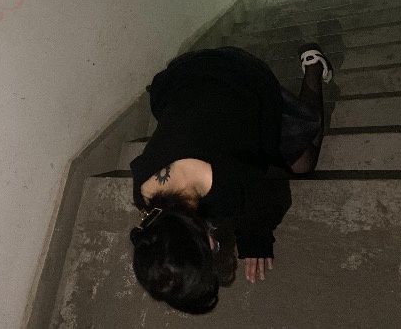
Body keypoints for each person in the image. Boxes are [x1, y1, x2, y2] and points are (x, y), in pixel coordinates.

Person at [129, 44, 333, 314]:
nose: (216, 248)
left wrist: (256, 239)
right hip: (181, 77)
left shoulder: (223, 185)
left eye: (209, 251)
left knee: (303, 163)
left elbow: (265, 191)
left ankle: (313, 67)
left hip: (240, 73)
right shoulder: (142, 192)